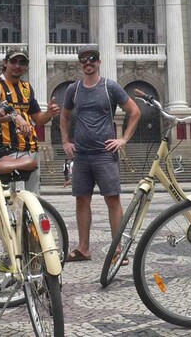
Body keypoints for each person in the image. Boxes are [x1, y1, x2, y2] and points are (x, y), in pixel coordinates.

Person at [60, 44, 141, 262]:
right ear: (80, 64)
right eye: (84, 60)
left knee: (112, 200)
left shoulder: (110, 87)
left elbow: (134, 111)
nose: (88, 63)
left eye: (92, 59)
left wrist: (123, 139)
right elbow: (64, 116)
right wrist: (66, 141)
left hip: (105, 154)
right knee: (81, 201)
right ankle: (84, 249)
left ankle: (118, 250)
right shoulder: (73, 90)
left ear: (99, 62)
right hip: (81, 155)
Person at [0, 46, 60, 194]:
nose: (18, 66)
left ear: (26, 66)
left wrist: (49, 114)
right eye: (14, 61)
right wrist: (12, 117)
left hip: (31, 149)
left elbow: (38, 118)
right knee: (14, 198)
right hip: (8, 151)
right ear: (5, 63)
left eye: (22, 62)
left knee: (33, 199)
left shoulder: (26, 88)